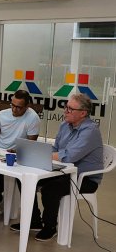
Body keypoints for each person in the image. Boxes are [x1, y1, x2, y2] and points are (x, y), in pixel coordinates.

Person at [10, 93, 103, 241]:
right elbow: (56, 149)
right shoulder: (65, 125)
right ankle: (34, 221)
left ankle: (50, 226)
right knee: (24, 177)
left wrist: (43, 155)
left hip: (84, 179)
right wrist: (40, 154)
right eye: (66, 107)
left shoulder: (90, 131)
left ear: (83, 113)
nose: (66, 111)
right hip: (63, 171)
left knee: (51, 188)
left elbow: (70, 156)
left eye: (70, 109)